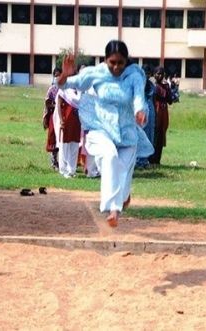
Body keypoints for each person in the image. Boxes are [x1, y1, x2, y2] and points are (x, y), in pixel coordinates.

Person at [56, 40, 153, 227]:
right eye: (112, 63)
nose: (116, 67)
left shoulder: (134, 75)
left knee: (123, 172)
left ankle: (123, 198)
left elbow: (139, 97)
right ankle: (113, 210)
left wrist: (139, 111)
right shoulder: (96, 73)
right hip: (101, 128)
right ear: (105, 60)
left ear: (126, 61)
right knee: (109, 157)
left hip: (126, 133)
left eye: (120, 63)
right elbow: (66, 84)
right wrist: (64, 76)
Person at [53, 87, 82, 178]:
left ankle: (72, 170)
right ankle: (63, 169)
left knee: (75, 145)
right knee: (64, 145)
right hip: (66, 121)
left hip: (77, 122)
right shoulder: (64, 90)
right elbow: (58, 105)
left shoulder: (80, 91)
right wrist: (61, 120)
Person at [149, 66, 173, 166]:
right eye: (157, 73)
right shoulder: (152, 85)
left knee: (161, 135)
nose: (159, 75)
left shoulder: (166, 86)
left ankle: (157, 160)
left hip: (163, 111)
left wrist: (167, 89)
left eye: (161, 74)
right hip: (155, 110)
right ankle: (151, 159)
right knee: (154, 135)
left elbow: (170, 100)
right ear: (154, 74)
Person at [135, 65, 156, 169]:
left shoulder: (151, 85)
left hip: (150, 111)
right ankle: (138, 161)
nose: (146, 76)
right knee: (140, 135)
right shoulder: (138, 84)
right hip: (140, 111)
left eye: (148, 74)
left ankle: (145, 160)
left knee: (149, 135)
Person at [43, 67, 62, 170]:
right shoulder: (52, 89)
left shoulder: (65, 88)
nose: (57, 77)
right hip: (53, 117)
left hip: (64, 117)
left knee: (62, 139)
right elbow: (47, 103)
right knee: (53, 138)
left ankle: (63, 161)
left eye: (59, 75)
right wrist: (56, 106)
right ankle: (54, 162)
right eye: (55, 75)